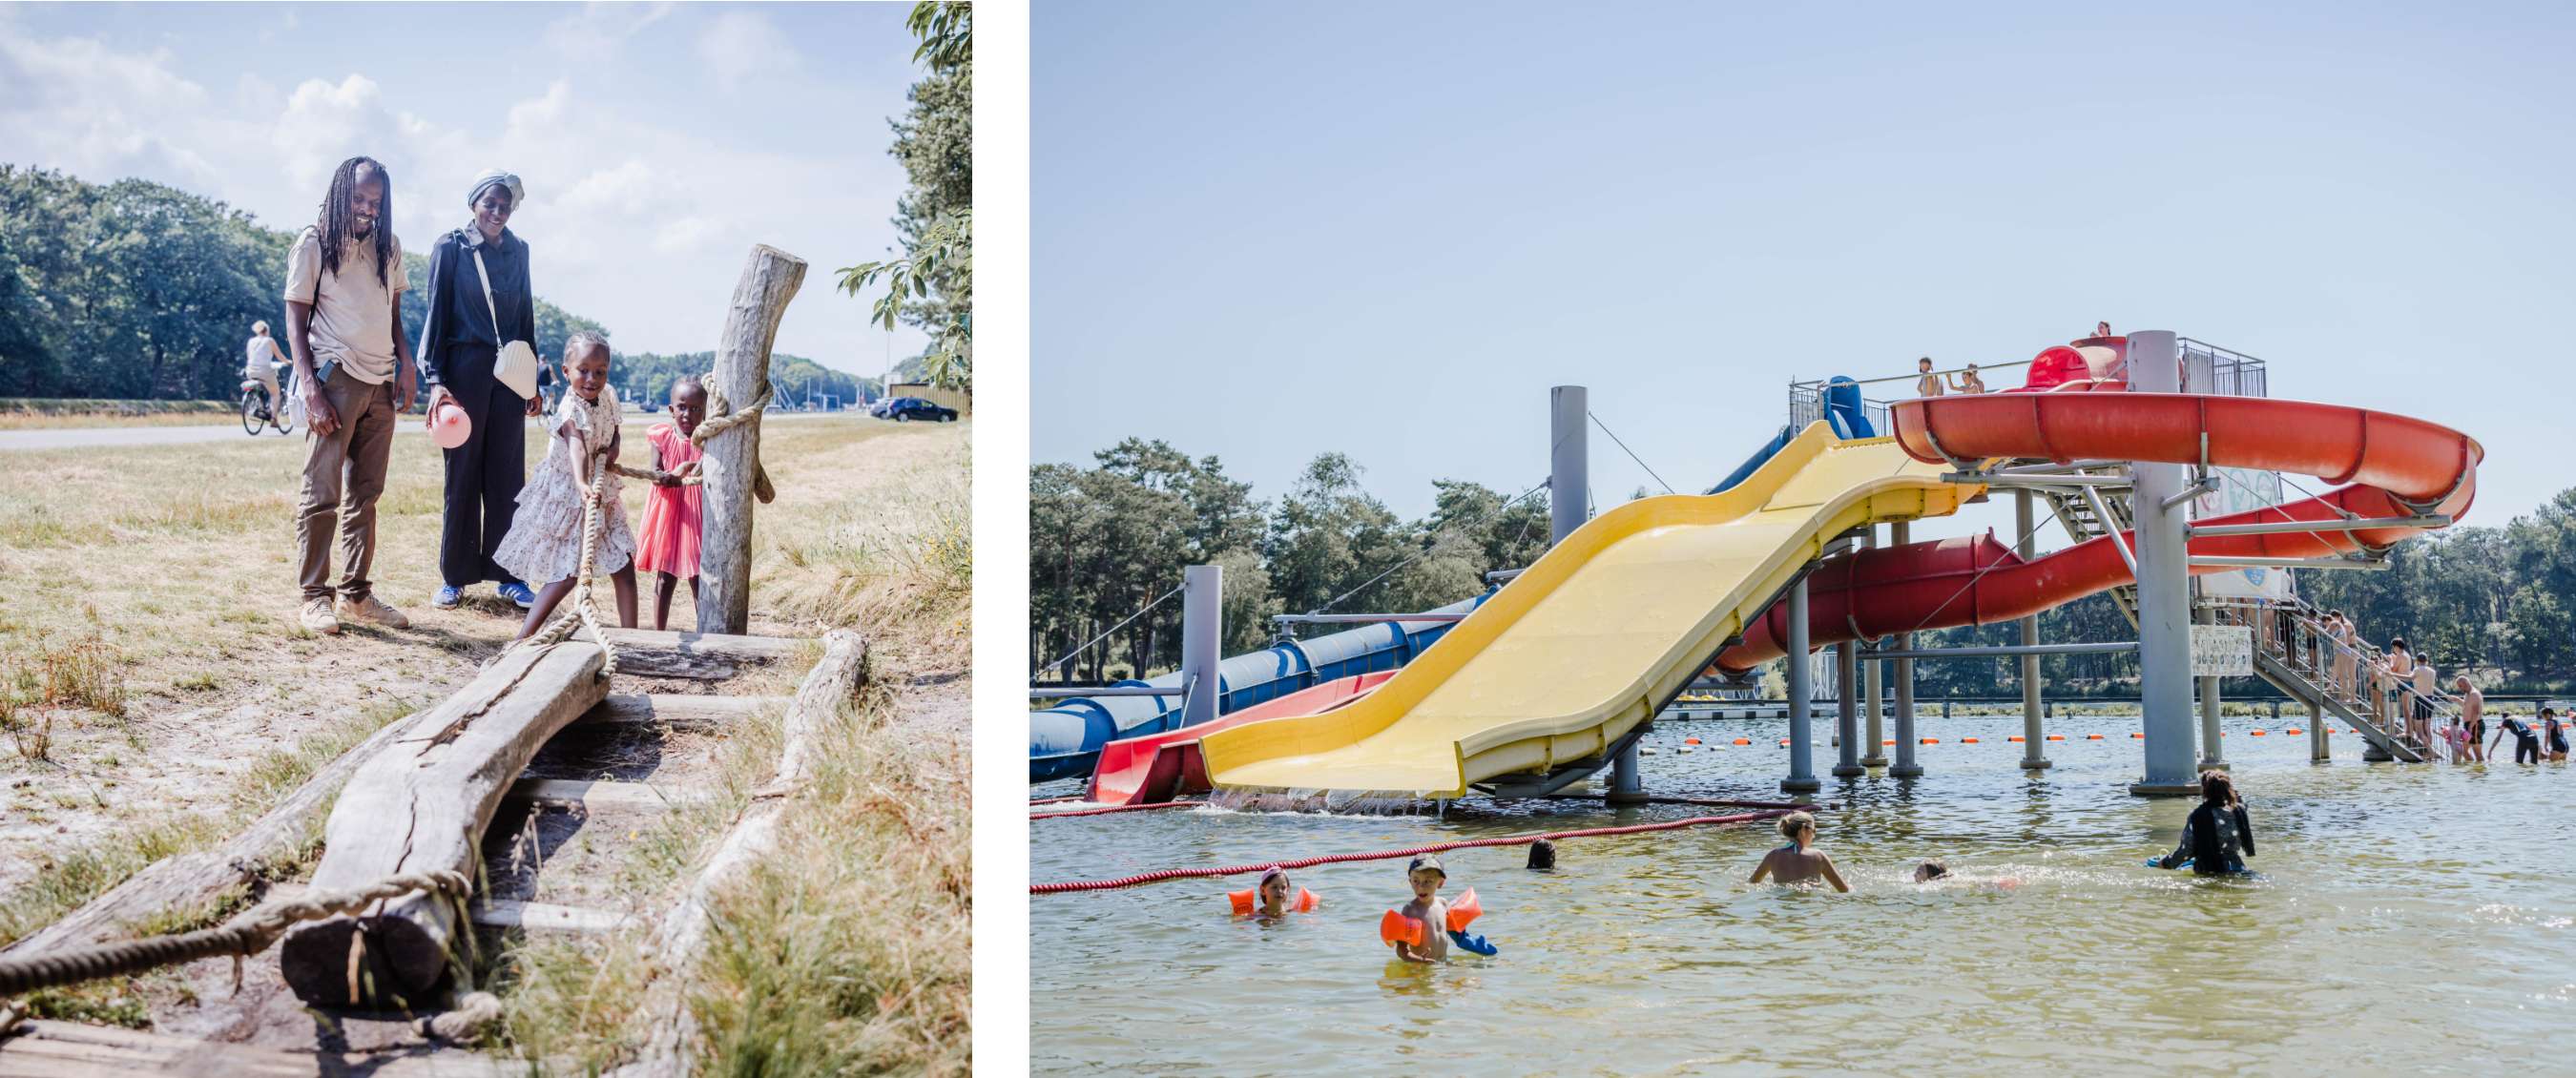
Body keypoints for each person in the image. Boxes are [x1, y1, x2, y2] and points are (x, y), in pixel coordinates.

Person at [283, 155, 416, 636]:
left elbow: (394, 312)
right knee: (322, 494)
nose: (367, 209)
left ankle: (357, 593)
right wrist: (310, 388)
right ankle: (315, 597)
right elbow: (295, 320)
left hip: (381, 381)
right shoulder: (314, 242)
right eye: (359, 199)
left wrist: (406, 363)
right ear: (341, 193)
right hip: (335, 376)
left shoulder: (390, 245)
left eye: (376, 202)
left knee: (367, 493)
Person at [417, 169, 543, 612]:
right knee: (463, 475)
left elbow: (525, 313)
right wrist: (435, 381)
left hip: (509, 375)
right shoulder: (450, 247)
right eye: (490, 203)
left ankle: (511, 576)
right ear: (474, 203)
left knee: (509, 478)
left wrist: (533, 379)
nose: (497, 212)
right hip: (464, 370)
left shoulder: (519, 250)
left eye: (505, 206)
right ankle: (455, 577)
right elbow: (436, 316)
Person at [493, 333, 638, 640]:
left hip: (600, 491)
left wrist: (613, 448)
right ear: (565, 371)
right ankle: (524, 637)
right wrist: (583, 482)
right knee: (568, 574)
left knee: (624, 564)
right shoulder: (571, 408)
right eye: (583, 370)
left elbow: (614, 431)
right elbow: (578, 448)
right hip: (571, 493)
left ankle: (632, 639)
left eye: (600, 371)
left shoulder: (609, 395)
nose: (592, 378)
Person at [634, 378, 708, 631]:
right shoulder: (663, 436)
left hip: (696, 514)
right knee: (665, 576)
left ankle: (707, 630)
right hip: (669, 513)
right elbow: (655, 473)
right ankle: (659, 631)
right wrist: (672, 474)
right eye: (683, 407)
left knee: (699, 575)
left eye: (697, 409)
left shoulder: (709, 441)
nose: (688, 414)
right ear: (671, 410)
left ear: (705, 411)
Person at [2156, 770, 2255, 875]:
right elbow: (2241, 803)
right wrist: (2232, 794)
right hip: (2238, 868)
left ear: (2205, 790)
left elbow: (2186, 851)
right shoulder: (2239, 812)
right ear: (2227, 789)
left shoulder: (2198, 816)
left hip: (2209, 871)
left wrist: (2165, 863)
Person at [1750, 811, 1850, 892]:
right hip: (1809, 909)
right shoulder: (1818, 856)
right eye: (1814, 831)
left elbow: (1752, 883)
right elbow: (1844, 890)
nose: (1814, 835)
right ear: (1804, 830)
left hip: (1782, 908)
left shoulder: (1773, 855)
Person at [1390, 854, 1452, 963]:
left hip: (1443, 963)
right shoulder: (1410, 910)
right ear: (1410, 882)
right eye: (1416, 881)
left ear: (1440, 883)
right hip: (1421, 967)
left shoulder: (1444, 904)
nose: (1421, 887)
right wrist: (1418, 960)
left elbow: (1456, 933)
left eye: (1428, 881)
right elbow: (1401, 949)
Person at [243, 321, 289, 427]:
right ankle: (274, 419)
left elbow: (250, 356)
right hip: (264, 370)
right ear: (266, 330)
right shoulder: (269, 340)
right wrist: (288, 361)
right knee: (275, 393)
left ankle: (260, 403)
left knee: (262, 385)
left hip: (250, 370)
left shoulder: (251, 341)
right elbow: (279, 356)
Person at [2456, 675, 2486, 763]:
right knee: (2464, 751)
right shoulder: (2467, 694)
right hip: (2469, 725)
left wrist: (2470, 727)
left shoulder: (2474, 694)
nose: (2459, 688)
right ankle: (2472, 771)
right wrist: (2457, 699)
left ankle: (2480, 773)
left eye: (2460, 686)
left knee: (2478, 754)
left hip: (2475, 725)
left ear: (2466, 683)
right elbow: (2467, 706)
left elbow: (2476, 713)